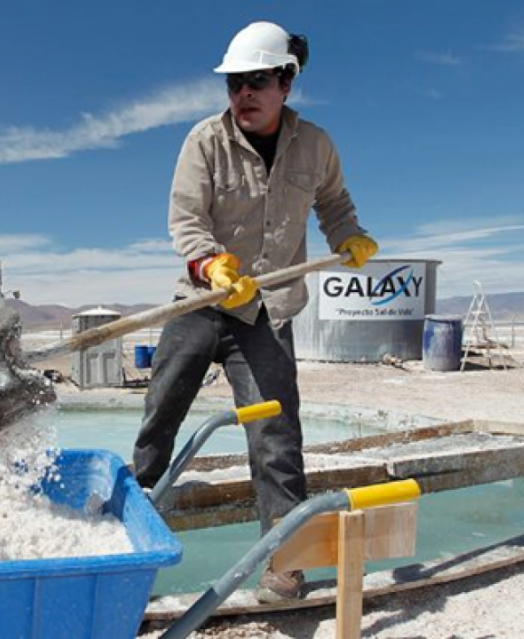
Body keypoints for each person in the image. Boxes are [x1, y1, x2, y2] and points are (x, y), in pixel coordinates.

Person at [132, 21, 378, 603]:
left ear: (286, 84)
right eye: (235, 83)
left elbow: (335, 204)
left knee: (275, 433)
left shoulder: (315, 144)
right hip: (202, 301)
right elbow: (186, 219)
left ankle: (286, 563)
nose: (243, 93)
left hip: (267, 310)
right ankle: (125, 524)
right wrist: (212, 266)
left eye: (257, 81)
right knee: (160, 411)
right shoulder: (204, 142)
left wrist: (351, 235)